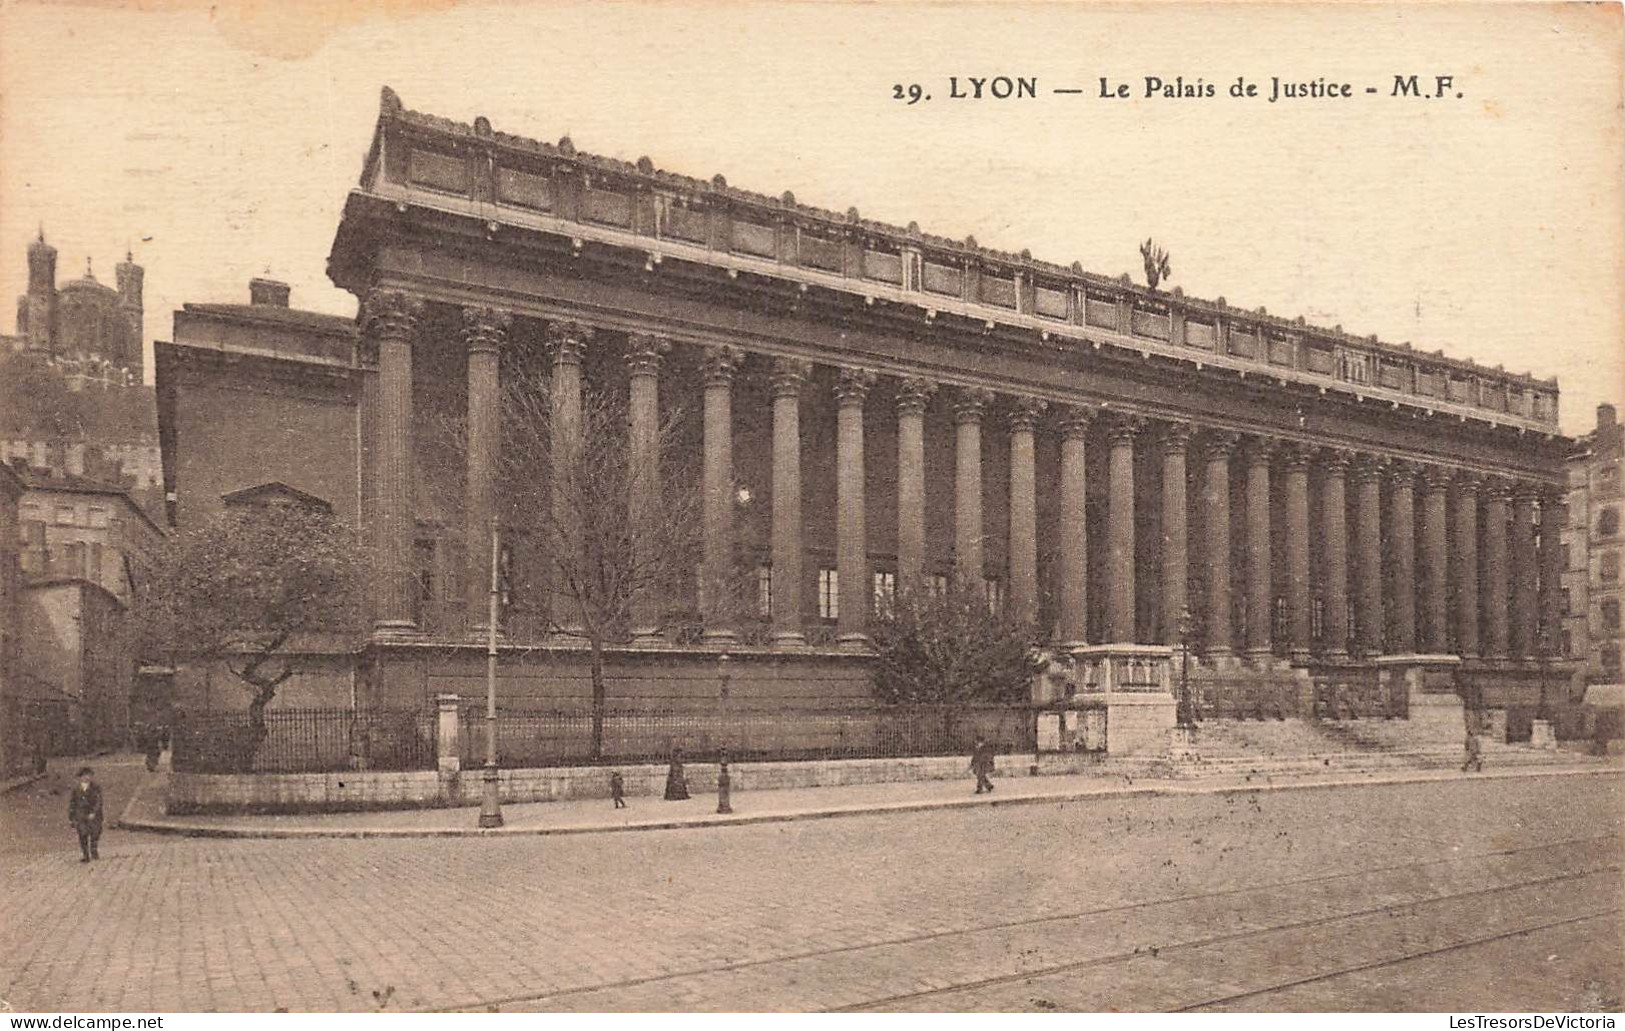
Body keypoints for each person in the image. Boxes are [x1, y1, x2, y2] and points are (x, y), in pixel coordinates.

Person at [68, 766, 104, 863]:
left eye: (89, 775)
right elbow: (72, 803)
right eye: (84, 776)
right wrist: (71, 817)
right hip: (81, 815)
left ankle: (94, 850)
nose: (87, 777)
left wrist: (94, 812)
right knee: (82, 834)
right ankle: (86, 855)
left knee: (95, 833)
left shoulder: (96, 787)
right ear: (80, 777)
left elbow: (99, 801)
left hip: (93, 815)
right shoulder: (76, 789)